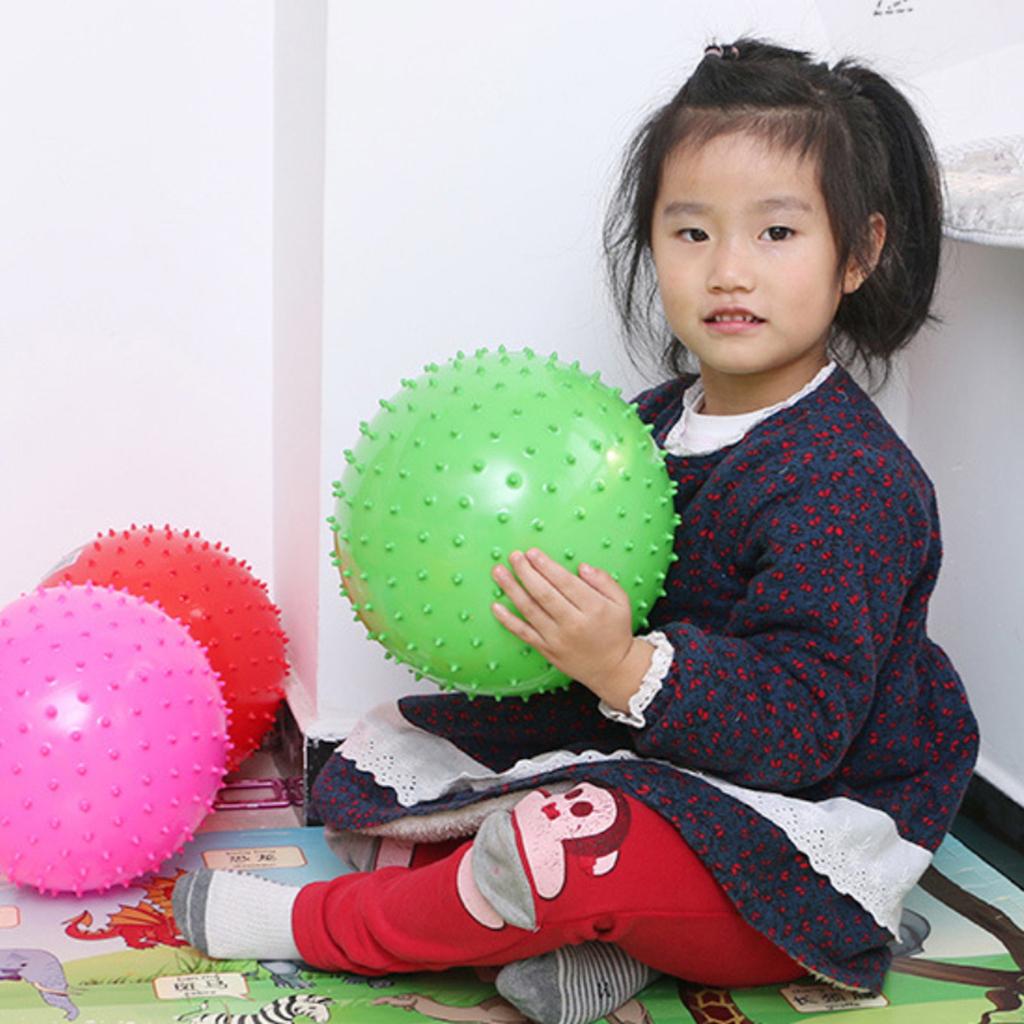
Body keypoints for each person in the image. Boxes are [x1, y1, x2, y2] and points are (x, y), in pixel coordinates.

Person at [173, 36, 979, 1024]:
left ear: (856, 253)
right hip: (666, 763)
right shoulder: (638, 431)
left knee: (572, 840)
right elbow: (565, 595)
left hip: (798, 825)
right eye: (692, 233)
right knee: (399, 746)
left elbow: (802, 729)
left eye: (776, 233)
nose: (728, 270)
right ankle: (591, 945)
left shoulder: (849, 479)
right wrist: (429, 565)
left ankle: (320, 925)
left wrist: (627, 667)